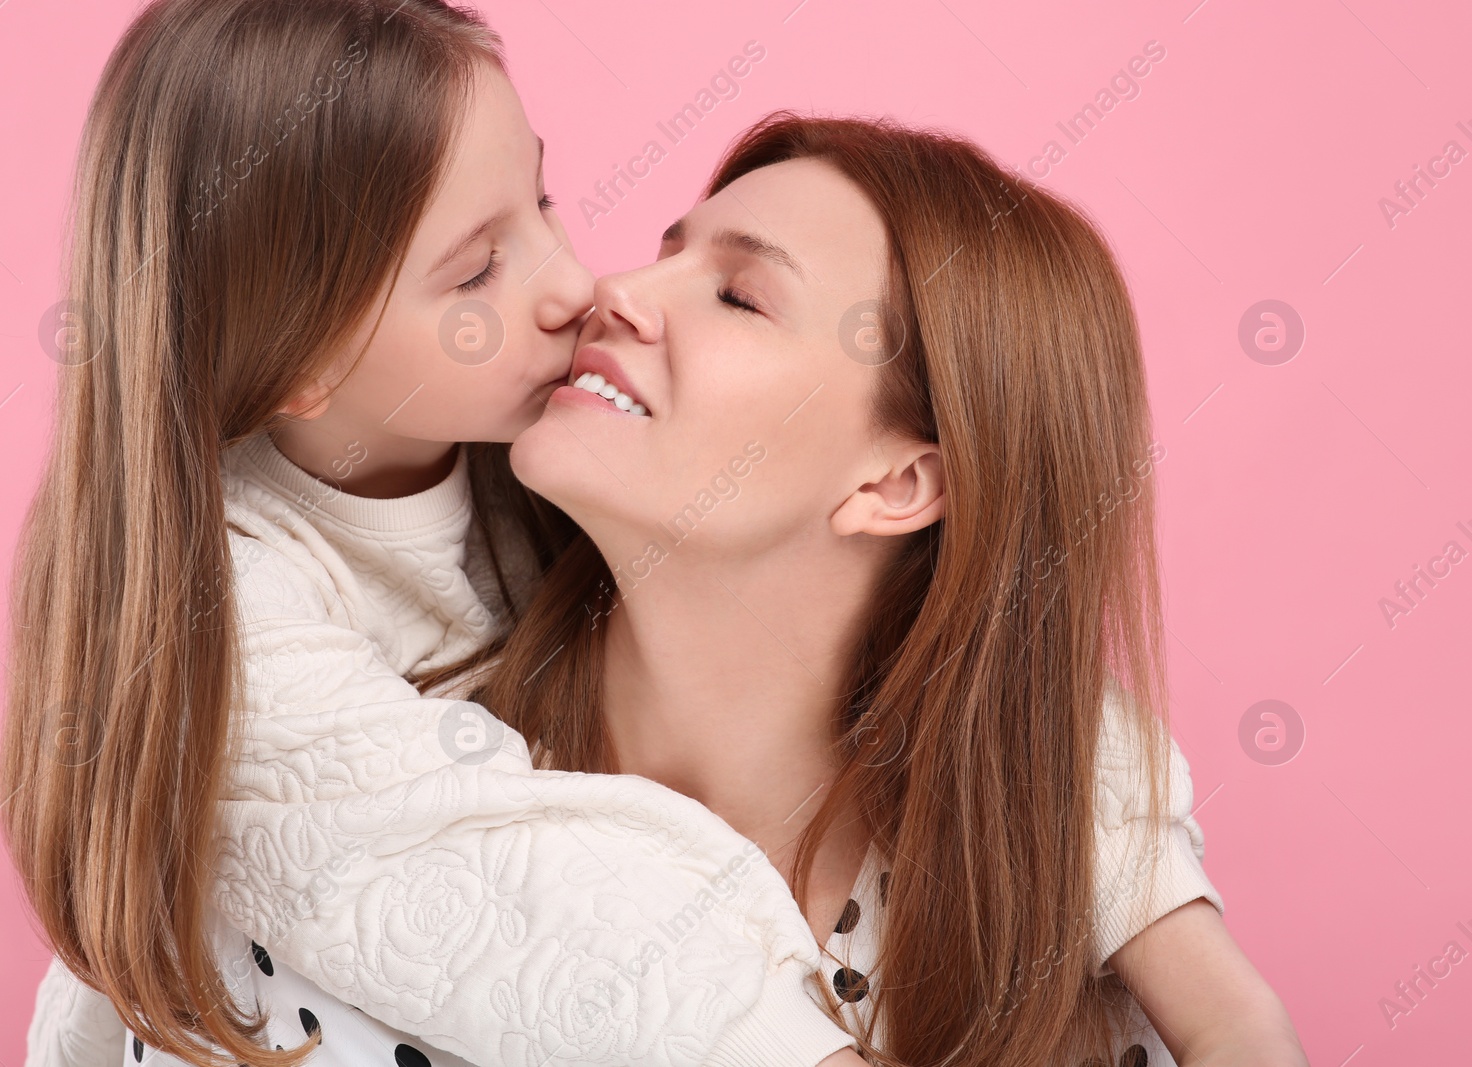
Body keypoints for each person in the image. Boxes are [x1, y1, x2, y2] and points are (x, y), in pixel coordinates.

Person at [3, 2, 869, 1065]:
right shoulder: (227, 602)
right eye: (473, 274)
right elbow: (509, 882)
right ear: (298, 364)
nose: (574, 287)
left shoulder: (544, 456)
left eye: (541, 199)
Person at [444, 112, 1314, 1066]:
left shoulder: (1031, 801)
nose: (614, 291)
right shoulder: (427, 758)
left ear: (895, 485)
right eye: (666, 251)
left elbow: (1243, 1029)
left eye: (738, 296)